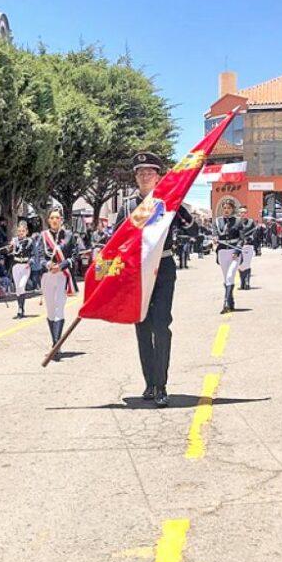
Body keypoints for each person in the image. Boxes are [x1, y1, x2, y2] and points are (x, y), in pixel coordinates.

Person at [113, 152, 185, 407]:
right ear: (136, 177)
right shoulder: (127, 207)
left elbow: (192, 229)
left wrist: (180, 206)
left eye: (150, 172)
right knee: (142, 327)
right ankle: (150, 382)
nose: (145, 176)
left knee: (161, 326)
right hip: (137, 272)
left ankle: (162, 385)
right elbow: (115, 240)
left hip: (163, 268)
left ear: (158, 177)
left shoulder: (168, 202)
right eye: (140, 172)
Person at [33, 208, 78, 360]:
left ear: (61, 220)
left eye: (57, 218)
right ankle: (55, 342)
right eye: (52, 218)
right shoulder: (42, 236)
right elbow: (39, 256)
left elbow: (74, 256)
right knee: (51, 310)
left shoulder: (69, 236)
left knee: (59, 308)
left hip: (62, 276)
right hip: (47, 276)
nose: (54, 220)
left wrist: (62, 266)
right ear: (48, 220)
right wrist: (47, 265)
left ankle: (56, 345)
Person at [213, 199, 243, 314]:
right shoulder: (217, 221)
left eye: (229, 208)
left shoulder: (238, 221)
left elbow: (242, 238)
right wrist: (215, 238)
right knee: (226, 278)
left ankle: (225, 303)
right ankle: (231, 301)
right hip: (222, 252)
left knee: (230, 276)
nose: (226, 210)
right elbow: (215, 233)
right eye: (224, 208)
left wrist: (237, 250)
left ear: (233, 209)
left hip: (234, 252)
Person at [9, 220, 34, 318]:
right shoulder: (14, 241)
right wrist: (11, 246)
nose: (20, 233)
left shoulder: (30, 241)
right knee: (18, 288)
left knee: (21, 285)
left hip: (25, 266)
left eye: (23, 231)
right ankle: (20, 308)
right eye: (19, 231)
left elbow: (33, 255)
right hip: (16, 266)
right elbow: (9, 252)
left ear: (26, 231)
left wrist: (30, 262)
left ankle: (21, 308)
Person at [236, 206, 257, 290]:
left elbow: (254, 233)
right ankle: (242, 283)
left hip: (248, 245)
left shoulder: (251, 222)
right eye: (241, 212)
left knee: (247, 264)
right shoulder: (236, 222)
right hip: (238, 246)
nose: (243, 214)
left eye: (244, 212)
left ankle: (247, 283)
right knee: (240, 265)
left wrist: (248, 239)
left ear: (247, 213)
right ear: (239, 214)